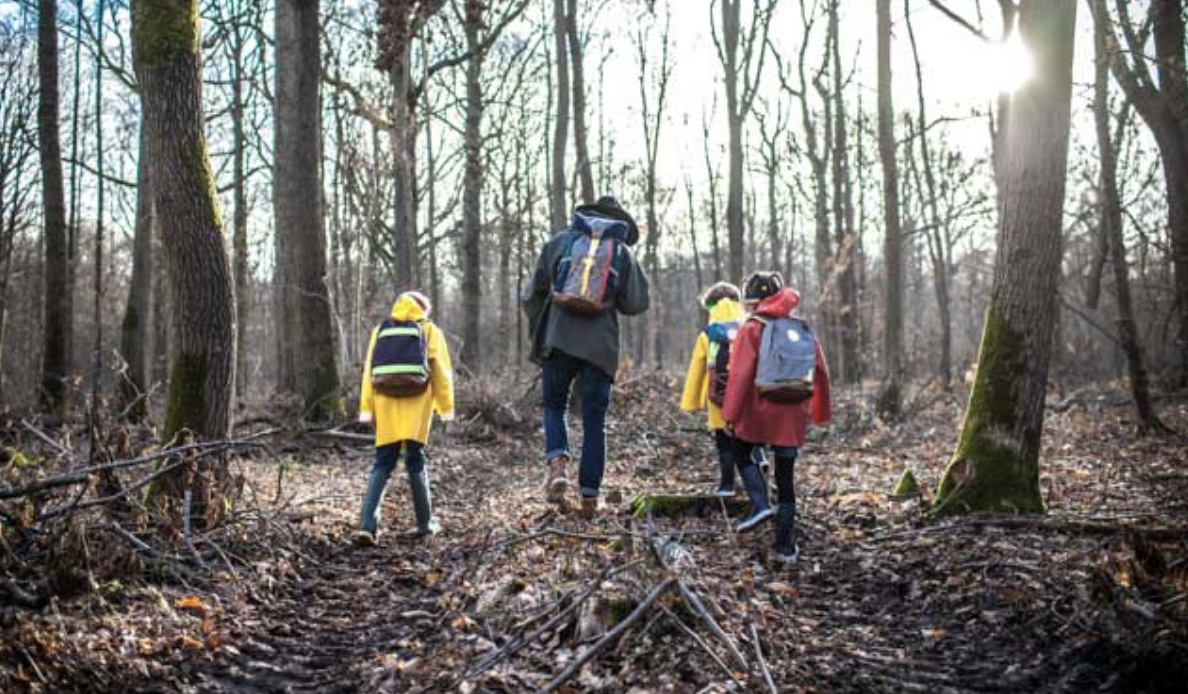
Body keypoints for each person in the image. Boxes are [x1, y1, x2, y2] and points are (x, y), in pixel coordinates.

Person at [523, 196, 650, 518]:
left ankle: (558, 467)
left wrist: (542, 328)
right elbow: (636, 303)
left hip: (559, 339)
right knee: (595, 423)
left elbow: (531, 294)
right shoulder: (622, 252)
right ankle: (590, 499)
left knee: (555, 406)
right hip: (600, 348)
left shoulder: (560, 242)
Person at [721, 272, 831, 564]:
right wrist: (820, 411)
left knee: (740, 451)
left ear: (754, 301)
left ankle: (759, 504)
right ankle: (785, 547)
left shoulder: (751, 328)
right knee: (786, 479)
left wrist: (729, 414)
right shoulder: (801, 327)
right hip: (793, 413)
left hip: (758, 409)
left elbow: (741, 375)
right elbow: (821, 371)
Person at [354, 291, 455, 545]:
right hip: (418, 405)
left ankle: (367, 526)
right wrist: (446, 409)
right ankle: (425, 523)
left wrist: (366, 410)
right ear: (422, 309)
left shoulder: (380, 330)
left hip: (385, 405)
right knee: (415, 461)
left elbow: (369, 372)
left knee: (382, 463)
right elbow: (441, 373)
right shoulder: (430, 330)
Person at [680, 282, 747, 497]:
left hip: (719, 399)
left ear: (710, 307)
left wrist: (691, 402)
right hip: (747, 397)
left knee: (724, 444)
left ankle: (727, 485)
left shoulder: (708, 335)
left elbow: (697, 369)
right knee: (749, 442)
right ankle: (756, 483)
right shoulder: (751, 329)